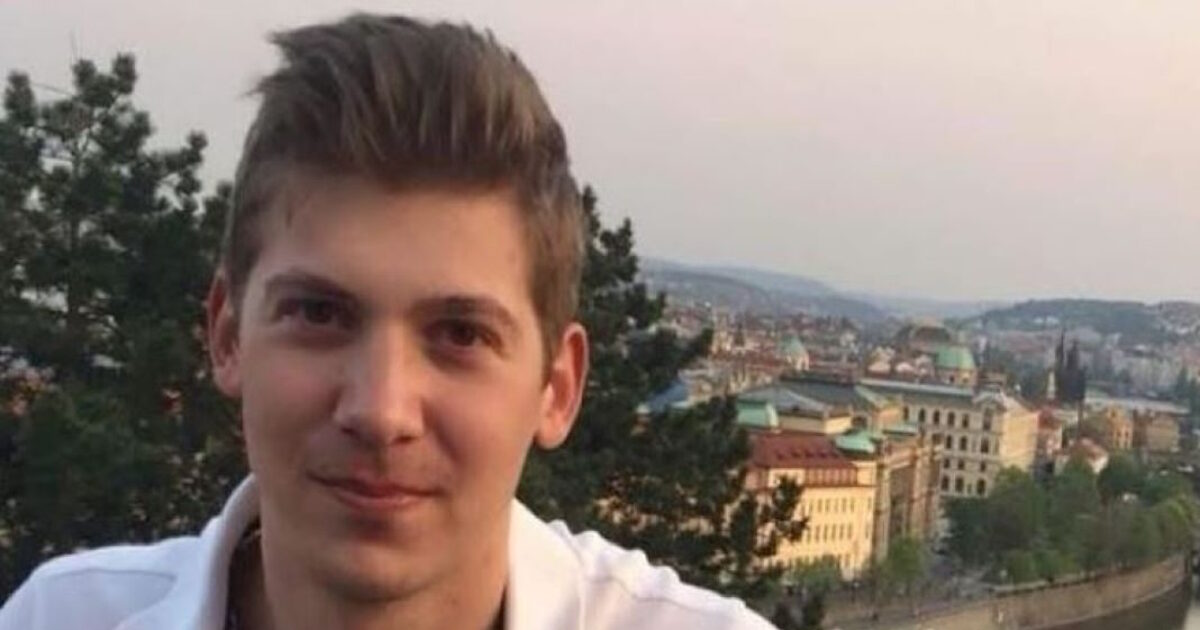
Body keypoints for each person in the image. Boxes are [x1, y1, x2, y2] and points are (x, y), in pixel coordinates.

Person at [0, 13, 775, 630]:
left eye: (461, 335)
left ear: (558, 387)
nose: (380, 411)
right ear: (228, 335)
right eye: (319, 314)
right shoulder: (57, 618)